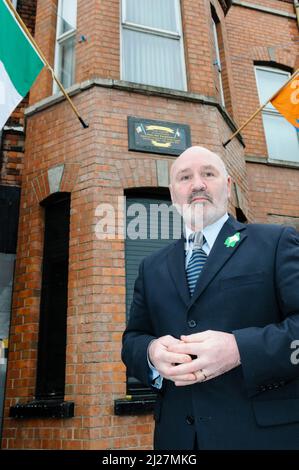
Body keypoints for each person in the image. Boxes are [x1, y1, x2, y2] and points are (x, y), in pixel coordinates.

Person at [121, 146, 299, 450]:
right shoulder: (151, 267)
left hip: (266, 438)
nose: (198, 184)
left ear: (227, 187)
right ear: (174, 194)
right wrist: (151, 353)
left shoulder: (276, 242)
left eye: (208, 173)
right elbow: (132, 340)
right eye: (185, 177)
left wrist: (240, 349)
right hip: (177, 440)